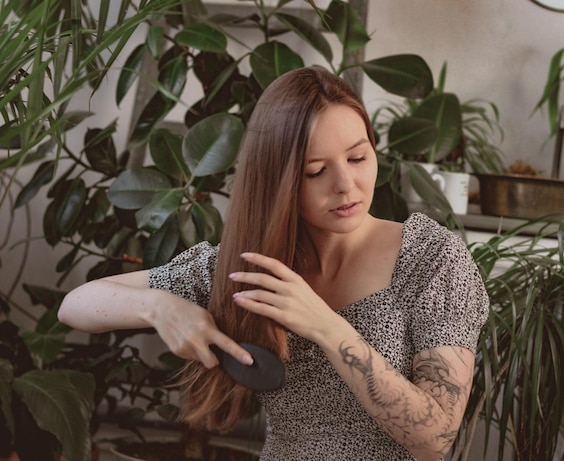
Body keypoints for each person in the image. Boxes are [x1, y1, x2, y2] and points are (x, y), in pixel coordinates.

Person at [58, 66, 489, 461]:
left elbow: (434, 439)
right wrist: (159, 307)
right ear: (277, 181)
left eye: (358, 158)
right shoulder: (253, 268)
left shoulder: (431, 258)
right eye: (315, 171)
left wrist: (325, 325)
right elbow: (76, 304)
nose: (346, 185)